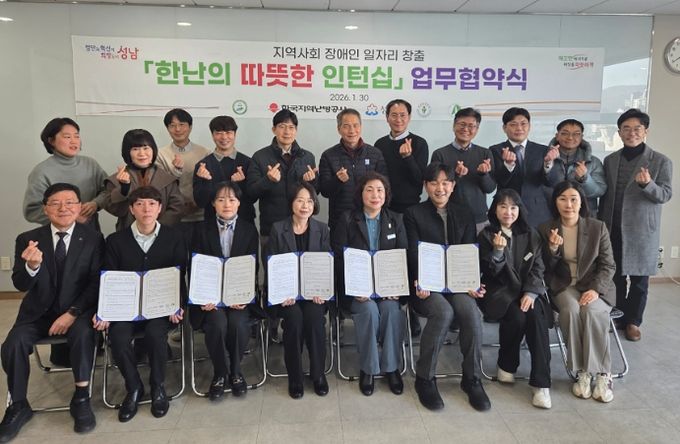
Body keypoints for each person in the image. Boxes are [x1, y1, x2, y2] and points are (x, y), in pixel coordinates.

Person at [1, 183, 103, 441]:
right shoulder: (28, 239)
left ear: (79, 207)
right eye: (56, 203)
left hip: (77, 310)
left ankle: (81, 397)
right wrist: (32, 266)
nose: (63, 208)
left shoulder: (93, 238)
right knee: (12, 344)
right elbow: (20, 283)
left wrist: (72, 313)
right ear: (45, 209)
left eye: (70, 202)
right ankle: (18, 404)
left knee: (83, 334)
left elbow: (96, 282)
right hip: (38, 313)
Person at [93, 186, 187, 422]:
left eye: (152, 204)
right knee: (118, 337)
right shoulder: (115, 240)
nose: (147, 209)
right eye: (140, 204)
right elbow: (109, 277)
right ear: (131, 209)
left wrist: (177, 304)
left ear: (160, 208)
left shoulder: (174, 237)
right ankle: (134, 387)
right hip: (125, 308)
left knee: (156, 335)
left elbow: (179, 275)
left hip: (159, 307)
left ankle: (158, 386)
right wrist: (104, 311)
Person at [403, 162, 490, 412]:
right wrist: (419, 279)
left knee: (471, 312)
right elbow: (412, 252)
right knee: (443, 312)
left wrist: (472, 282)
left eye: (445, 183)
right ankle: (425, 378)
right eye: (434, 183)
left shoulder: (464, 213)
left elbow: (468, 252)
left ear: (452, 186)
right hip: (426, 285)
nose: (439, 188)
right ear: (425, 186)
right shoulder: (413, 213)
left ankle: (472, 379)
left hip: (457, 283)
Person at [598, 109, 672, 342]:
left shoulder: (660, 161)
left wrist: (648, 184)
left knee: (639, 280)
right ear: (619, 132)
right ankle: (619, 316)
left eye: (637, 129)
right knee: (616, 277)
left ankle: (633, 322)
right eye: (626, 129)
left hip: (642, 230)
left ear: (645, 131)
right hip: (613, 227)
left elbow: (665, 194)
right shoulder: (610, 160)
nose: (632, 133)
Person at [540, 180, 617, 403]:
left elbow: (608, 265)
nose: (568, 204)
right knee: (571, 311)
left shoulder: (597, 227)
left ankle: (603, 373)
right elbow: (543, 267)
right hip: (564, 286)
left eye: (573, 199)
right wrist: (552, 249)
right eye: (562, 199)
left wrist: (595, 289)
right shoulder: (545, 228)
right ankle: (582, 372)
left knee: (592, 312)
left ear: (581, 202)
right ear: (555, 202)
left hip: (594, 285)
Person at [332, 172, 406, 397]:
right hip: (357, 291)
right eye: (370, 190)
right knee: (369, 310)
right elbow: (338, 258)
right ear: (361, 193)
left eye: (380, 190)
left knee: (391, 310)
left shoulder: (396, 219)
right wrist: (354, 288)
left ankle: (391, 368)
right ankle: (369, 368)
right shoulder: (347, 219)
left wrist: (396, 287)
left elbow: (402, 256)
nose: (375, 195)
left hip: (387, 289)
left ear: (386, 194)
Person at [478, 189, 551, 409]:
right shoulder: (486, 234)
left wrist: (531, 293)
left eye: (513, 207)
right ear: (495, 210)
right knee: (517, 316)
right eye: (502, 206)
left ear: (520, 210)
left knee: (536, 318)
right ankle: (506, 364)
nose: (508, 212)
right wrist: (498, 253)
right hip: (499, 293)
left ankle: (541, 384)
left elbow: (538, 268)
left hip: (528, 291)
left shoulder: (531, 234)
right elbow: (487, 272)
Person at [189, 181, 259, 401]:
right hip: (210, 299)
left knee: (237, 323)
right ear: (213, 204)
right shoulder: (200, 230)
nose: (226, 204)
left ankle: (235, 371)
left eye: (231, 199)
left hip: (238, 296)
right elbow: (195, 267)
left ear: (239, 203)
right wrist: (203, 297)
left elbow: (252, 267)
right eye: (221, 200)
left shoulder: (249, 230)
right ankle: (220, 372)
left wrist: (243, 295)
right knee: (217, 323)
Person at [266, 182, 330, 399]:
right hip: (288, 296)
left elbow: (326, 264)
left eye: (309, 201)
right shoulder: (278, 229)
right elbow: (271, 265)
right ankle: (295, 377)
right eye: (300, 200)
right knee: (293, 320)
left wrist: (323, 290)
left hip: (314, 294)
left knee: (314, 318)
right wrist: (280, 294)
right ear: (291, 203)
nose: (305, 206)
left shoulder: (322, 229)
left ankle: (318, 374)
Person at [23, 117, 107, 231]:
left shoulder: (90, 164)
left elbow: (108, 190)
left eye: (76, 136)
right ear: (51, 141)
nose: (74, 141)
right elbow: (31, 210)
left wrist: (96, 203)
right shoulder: (41, 171)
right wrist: (69, 217)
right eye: (67, 137)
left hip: (91, 231)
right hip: (57, 234)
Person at [319, 108, 388, 232]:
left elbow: (385, 186)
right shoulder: (328, 155)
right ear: (339, 129)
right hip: (340, 220)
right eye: (346, 126)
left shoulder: (375, 154)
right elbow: (324, 191)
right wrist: (338, 180)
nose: (352, 130)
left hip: (370, 218)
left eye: (356, 125)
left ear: (361, 127)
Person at [103, 129, 183, 231]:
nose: (142, 153)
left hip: (163, 234)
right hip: (128, 234)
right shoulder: (115, 180)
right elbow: (115, 210)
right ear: (127, 152)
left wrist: (155, 228)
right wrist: (124, 188)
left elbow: (177, 208)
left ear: (153, 150)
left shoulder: (167, 179)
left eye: (146, 148)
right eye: (135, 149)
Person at [431, 107, 496, 233]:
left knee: (481, 246)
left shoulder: (485, 153)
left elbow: (490, 188)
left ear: (477, 129)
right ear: (454, 126)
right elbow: (435, 188)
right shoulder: (440, 154)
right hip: (449, 216)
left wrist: (484, 175)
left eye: (471, 126)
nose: (466, 129)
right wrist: (456, 175)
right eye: (462, 124)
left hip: (479, 218)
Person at [490, 107, 555, 227]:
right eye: (513, 124)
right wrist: (508, 165)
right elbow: (498, 181)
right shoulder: (495, 150)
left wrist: (548, 164)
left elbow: (549, 182)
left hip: (536, 210)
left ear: (529, 126)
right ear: (504, 128)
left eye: (523, 124)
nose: (519, 128)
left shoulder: (542, 150)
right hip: (507, 211)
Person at [156, 108, 211, 246]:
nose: (178, 129)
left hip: (201, 216)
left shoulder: (204, 152)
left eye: (182, 124)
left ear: (190, 127)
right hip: (172, 217)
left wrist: (196, 204)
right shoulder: (160, 154)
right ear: (167, 128)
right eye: (172, 125)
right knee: (175, 256)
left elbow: (209, 185)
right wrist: (176, 171)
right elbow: (161, 185)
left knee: (200, 256)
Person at [193, 116, 256, 224]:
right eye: (219, 133)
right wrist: (206, 182)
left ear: (235, 134)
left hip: (244, 223)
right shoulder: (203, 166)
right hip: (212, 225)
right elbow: (200, 203)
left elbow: (253, 198)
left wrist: (240, 184)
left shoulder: (248, 162)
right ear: (212, 135)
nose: (224, 137)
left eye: (228, 132)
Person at [373, 99, 428, 214]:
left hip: (410, 207)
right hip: (383, 205)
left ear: (409, 117)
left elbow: (419, 179)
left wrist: (408, 157)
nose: (398, 120)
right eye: (394, 115)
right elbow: (376, 176)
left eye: (402, 115)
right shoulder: (380, 144)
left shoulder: (419, 143)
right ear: (387, 117)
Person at [546, 119, 606, 213]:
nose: (570, 138)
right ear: (557, 136)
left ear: (581, 137)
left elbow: (599, 191)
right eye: (565, 133)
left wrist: (584, 179)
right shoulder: (545, 158)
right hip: (549, 213)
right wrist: (547, 164)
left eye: (576, 134)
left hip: (583, 215)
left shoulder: (593, 162)